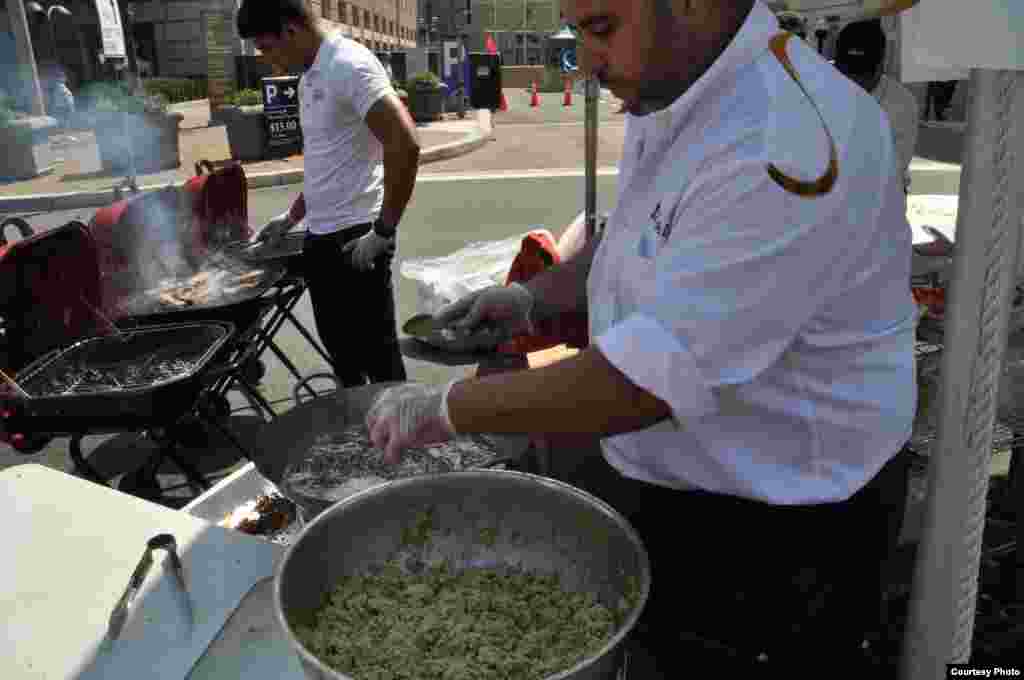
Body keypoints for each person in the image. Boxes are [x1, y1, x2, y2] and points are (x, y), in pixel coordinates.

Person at [366, 0, 915, 673]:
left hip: (778, 530)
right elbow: (639, 240)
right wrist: (530, 297)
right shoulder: (678, 88)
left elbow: (644, 382)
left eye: (600, 29)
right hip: (682, 485)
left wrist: (447, 409)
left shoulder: (786, 140)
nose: (586, 61)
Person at [236, 0, 420, 387]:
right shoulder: (309, 79)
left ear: (290, 29)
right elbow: (325, 164)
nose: (270, 61)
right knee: (344, 358)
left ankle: (400, 442)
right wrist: (290, 218)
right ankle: (361, 440)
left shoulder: (348, 65)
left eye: (268, 48)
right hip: (321, 239)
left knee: (380, 361)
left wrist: (383, 232)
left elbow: (404, 143)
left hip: (356, 239)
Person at [834, 18, 919, 190]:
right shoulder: (815, 86)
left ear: (880, 67)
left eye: (861, 74)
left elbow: (892, 168)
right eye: (846, 71)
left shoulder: (901, 104)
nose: (852, 81)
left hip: (877, 198)